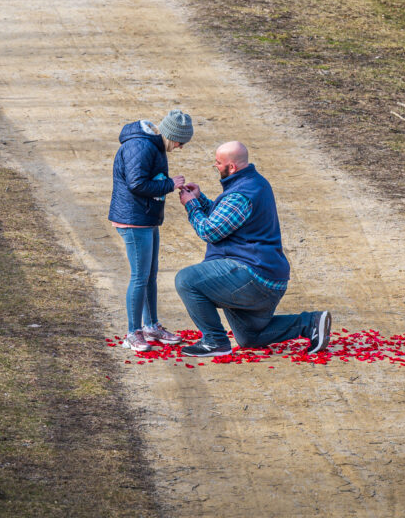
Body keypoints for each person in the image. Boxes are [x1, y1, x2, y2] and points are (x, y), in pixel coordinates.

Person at [174, 141, 332, 358]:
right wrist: (200, 199)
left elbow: (209, 231)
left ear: (232, 167)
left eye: (218, 163)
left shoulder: (241, 194)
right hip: (269, 279)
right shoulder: (255, 183)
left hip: (252, 277)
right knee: (249, 336)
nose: (216, 166)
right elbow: (228, 218)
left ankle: (214, 341)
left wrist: (191, 206)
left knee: (186, 280)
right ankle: (309, 322)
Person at [109, 110, 194, 352]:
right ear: (171, 135)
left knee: (150, 275)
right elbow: (136, 184)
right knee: (139, 277)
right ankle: (133, 332)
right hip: (134, 220)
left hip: (146, 218)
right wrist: (170, 184)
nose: (180, 147)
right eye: (180, 142)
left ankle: (151, 326)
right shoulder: (142, 147)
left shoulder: (154, 146)